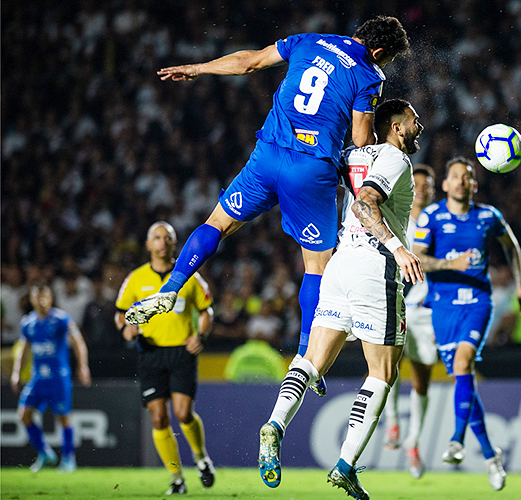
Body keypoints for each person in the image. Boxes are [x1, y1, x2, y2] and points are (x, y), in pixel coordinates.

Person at [125, 16, 410, 399]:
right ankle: (308, 357)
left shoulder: (308, 40)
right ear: (378, 52)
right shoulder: (369, 74)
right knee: (317, 266)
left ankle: (172, 287)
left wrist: (198, 68)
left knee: (218, 222)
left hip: (268, 154)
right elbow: (361, 139)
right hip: (310, 169)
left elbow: (248, 61)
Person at [257, 99, 424, 500]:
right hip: (374, 269)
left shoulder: (350, 156)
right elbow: (366, 202)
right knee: (382, 374)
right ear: (396, 127)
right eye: (414, 121)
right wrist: (396, 248)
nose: (420, 126)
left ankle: (275, 424)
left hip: (338, 265)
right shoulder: (395, 159)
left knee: (312, 360)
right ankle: (346, 465)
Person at [413, 157, 521, 491]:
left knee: (464, 363)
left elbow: (511, 245)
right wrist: (452, 262)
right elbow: (417, 257)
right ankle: (491, 455)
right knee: (462, 378)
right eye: (455, 177)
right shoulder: (431, 216)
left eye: (467, 177)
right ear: (446, 185)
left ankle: (455, 440)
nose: (462, 182)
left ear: (474, 185)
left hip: (479, 302)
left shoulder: (488, 216)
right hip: (442, 307)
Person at [115, 222, 215, 495]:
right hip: (150, 353)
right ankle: (177, 478)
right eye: (156, 237)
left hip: (181, 352)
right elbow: (120, 312)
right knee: (159, 418)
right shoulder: (135, 278)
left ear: (174, 244)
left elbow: (207, 310)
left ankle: (201, 457)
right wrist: (127, 328)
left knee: (183, 414)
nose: (162, 242)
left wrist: (201, 337)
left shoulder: (190, 276)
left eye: (167, 238)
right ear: (148, 245)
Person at [380, 164, 452, 479]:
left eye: (428, 184)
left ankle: (414, 441)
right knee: (388, 366)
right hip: (393, 303)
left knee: (422, 377)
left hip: (424, 311)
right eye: (417, 183)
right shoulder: (395, 215)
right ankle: (393, 422)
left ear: (435, 190)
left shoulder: (441, 221)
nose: (422, 188)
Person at [11, 285, 91, 473]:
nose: (42, 300)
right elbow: (24, 349)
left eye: (45, 296)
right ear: (32, 299)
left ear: (51, 298)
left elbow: (78, 342)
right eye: (38, 297)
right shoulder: (28, 323)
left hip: (58, 377)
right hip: (37, 378)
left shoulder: (61, 319)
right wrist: (16, 372)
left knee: (63, 418)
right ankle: (45, 453)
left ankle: (69, 459)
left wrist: (83, 366)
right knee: (24, 415)